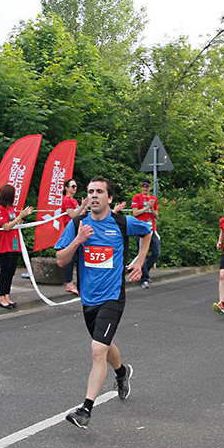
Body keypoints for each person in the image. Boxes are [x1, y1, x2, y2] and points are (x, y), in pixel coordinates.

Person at [55, 177, 152, 430]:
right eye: (90, 192)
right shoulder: (77, 224)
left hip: (112, 297)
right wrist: (78, 241)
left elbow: (147, 232)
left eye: (99, 192)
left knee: (98, 350)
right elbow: (61, 261)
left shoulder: (122, 223)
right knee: (105, 346)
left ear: (109, 198)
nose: (94, 195)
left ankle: (85, 410)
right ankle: (122, 373)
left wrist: (140, 261)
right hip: (88, 299)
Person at [0, 184, 33, 309]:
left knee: (11, 271)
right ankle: (1, 296)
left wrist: (23, 216)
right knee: (5, 271)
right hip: (5, 244)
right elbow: (6, 227)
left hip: (14, 244)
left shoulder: (11, 209)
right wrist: (19, 216)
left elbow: (16, 223)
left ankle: (7, 295)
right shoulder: (0, 209)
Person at [131, 179, 160, 288]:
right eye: (143, 186)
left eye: (146, 187)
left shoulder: (153, 199)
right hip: (141, 229)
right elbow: (135, 213)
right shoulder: (137, 197)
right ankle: (144, 279)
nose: (145, 188)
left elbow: (156, 215)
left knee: (156, 252)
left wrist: (151, 208)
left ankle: (143, 271)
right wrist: (146, 208)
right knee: (141, 254)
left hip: (152, 229)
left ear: (150, 188)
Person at [60, 178, 87, 294]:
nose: (75, 188)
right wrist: (83, 206)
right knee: (70, 257)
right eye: (72, 186)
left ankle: (76, 282)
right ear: (66, 188)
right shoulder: (66, 200)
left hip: (77, 230)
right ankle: (69, 283)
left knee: (78, 256)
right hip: (69, 231)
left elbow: (81, 214)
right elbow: (72, 215)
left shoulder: (74, 200)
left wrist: (84, 206)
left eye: (76, 186)